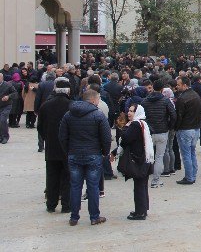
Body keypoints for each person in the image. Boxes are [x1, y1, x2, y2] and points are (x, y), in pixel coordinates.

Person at [58, 89, 112, 226]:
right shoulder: (98, 115)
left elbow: (62, 136)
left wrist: (68, 151)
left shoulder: (68, 115)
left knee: (75, 186)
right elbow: (106, 137)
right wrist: (105, 152)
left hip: (74, 154)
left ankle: (74, 217)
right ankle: (94, 217)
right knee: (93, 186)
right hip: (93, 154)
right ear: (93, 100)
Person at [110, 103, 154, 220]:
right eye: (128, 110)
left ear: (137, 113)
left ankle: (140, 212)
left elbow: (125, 139)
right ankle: (143, 209)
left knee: (139, 185)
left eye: (132, 111)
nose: (129, 113)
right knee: (142, 184)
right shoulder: (142, 123)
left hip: (138, 158)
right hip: (144, 158)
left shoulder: (135, 125)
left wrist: (124, 128)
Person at [37, 77, 72, 213]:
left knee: (51, 176)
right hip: (67, 147)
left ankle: (51, 204)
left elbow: (40, 127)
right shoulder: (71, 105)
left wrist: (47, 138)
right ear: (68, 90)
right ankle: (66, 205)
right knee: (67, 176)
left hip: (51, 147)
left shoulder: (46, 105)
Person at [141, 79, 176, 187]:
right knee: (159, 156)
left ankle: (143, 177)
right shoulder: (165, 101)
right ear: (162, 89)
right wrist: (170, 127)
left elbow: (141, 116)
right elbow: (173, 115)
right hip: (162, 131)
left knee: (147, 156)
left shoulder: (145, 101)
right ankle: (155, 180)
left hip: (149, 132)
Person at [174, 76, 201, 185]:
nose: (177, 86)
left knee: (186, 154)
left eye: (179, 84)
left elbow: (179, 116)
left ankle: (189, 177)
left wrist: (176, 127)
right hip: (195, 128)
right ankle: (192, 175)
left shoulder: (182, 98)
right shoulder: (196, 95)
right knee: (192, 153)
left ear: (184, 85)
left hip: (185, 129)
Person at [0, 73, 18, 144]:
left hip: (6, 106)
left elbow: (15, 94)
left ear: (2, 78)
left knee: (2, 120)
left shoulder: (8, 85)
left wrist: (8, 96)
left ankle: (5, 136)